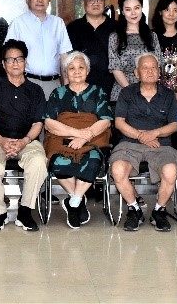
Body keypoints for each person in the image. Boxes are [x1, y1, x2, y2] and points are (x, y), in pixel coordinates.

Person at [0, 40, 48, 232]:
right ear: (3, 64)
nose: (15, 63)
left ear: (25, 62)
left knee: (38, 162)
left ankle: (25, 211)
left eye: (19, 59)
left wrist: (23, 141)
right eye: (10, 60)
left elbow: (38, 123)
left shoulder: (35, 90)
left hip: (27, 141)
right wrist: (1, 140)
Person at [108, 52, 177, 233]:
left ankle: (159, 210)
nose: (150, 71)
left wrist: (155, 133)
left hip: (160, 144)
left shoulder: (168, 95)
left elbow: (174, 125)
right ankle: (134, 209)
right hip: (129, 143)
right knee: (117, 169)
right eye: (145, 68)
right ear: (136, 72)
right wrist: (141, 136)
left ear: (159, 72)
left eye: (154, 67)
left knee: (171, 171)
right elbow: (119, 123)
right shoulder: (127, 93)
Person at [43, 52, 112, 230]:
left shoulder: (98, 92)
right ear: (66, 72)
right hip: (62, 137)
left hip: (93, 137)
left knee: (93, 161)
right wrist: (76, 133)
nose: (77, 71)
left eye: (81, 67)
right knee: (59, 162)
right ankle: (78, 200)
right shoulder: (57, 93)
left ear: (87, 71)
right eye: (71, 68)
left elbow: (105, 121)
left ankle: (73, 202)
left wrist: (85, 137)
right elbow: (49, 123)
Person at [6, 0, 72, 99]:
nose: (40, 0)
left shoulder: (58, 23)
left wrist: (67, 88)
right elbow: (9, 57)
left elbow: (64, 58)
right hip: (26, 83)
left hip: (54, 84)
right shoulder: (18, 23)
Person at [67, 0, 116, 97]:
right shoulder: (73, 28)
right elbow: (67, 59)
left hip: (112, 87)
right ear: (83, 2)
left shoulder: (116, 27)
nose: (96, 3)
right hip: (80, 87)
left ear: (105, 3)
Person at [107, 0, 155, 101]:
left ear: (141, 8)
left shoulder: (152, 36)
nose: (133, 13)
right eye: (128, 9)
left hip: (149, 92)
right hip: (123, 92)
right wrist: (132, 93)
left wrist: (145, 91)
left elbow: (158, 64)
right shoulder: (115, 37)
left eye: (136, 8)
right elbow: (115, 68)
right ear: (122, 12)